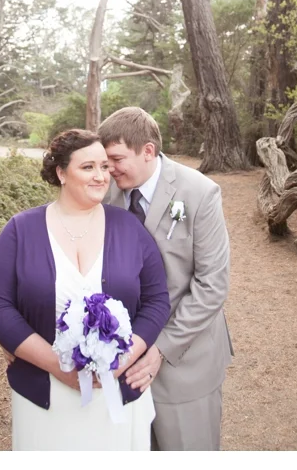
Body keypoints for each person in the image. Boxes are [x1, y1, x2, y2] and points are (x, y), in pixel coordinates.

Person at [0, 129, 171, 451]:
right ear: (61, 173)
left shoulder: (129, 228)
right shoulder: (20, 230)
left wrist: (120, 361)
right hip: (47, 398)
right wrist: (59, 367)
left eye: (104, 167)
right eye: (87, 168)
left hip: (117, 394)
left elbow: (157, 301)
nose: (100, 176)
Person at [98, 107, 233, 451]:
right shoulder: (106, 195)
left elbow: (212, 285)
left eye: (115, 159)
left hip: (186, 360)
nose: (108, 170)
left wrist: (159, 349)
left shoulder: (200, 193)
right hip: (121, 364)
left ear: (147, 151)